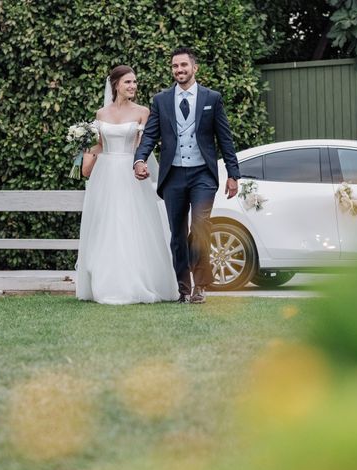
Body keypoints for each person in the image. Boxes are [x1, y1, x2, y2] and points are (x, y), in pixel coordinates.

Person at [134, 47, 240, 304]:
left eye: (183, 65)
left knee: (201, 227)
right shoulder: (161, 100)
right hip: (174, 176)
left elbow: (224, 137)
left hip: (202, 174)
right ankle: (183, 288)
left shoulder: (211, 98)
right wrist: (139, 158)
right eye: (175, 66)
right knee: (178, 235)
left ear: (195, 68)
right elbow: (150, 134)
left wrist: (233, 173)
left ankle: (200, 286)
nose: (179, 70)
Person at [76, 65, 179, 304]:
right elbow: (99, 145)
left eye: (134, 82)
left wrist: (140, 164)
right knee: (106, 225)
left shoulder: (143, 112)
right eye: (128, 82)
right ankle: (106, 282)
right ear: (115, 85)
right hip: (106, 174)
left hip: (130, 172)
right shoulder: (101, 114)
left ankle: (136, 281)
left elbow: (145, 144)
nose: (133, 86)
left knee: (130, 224)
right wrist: (82, 152)